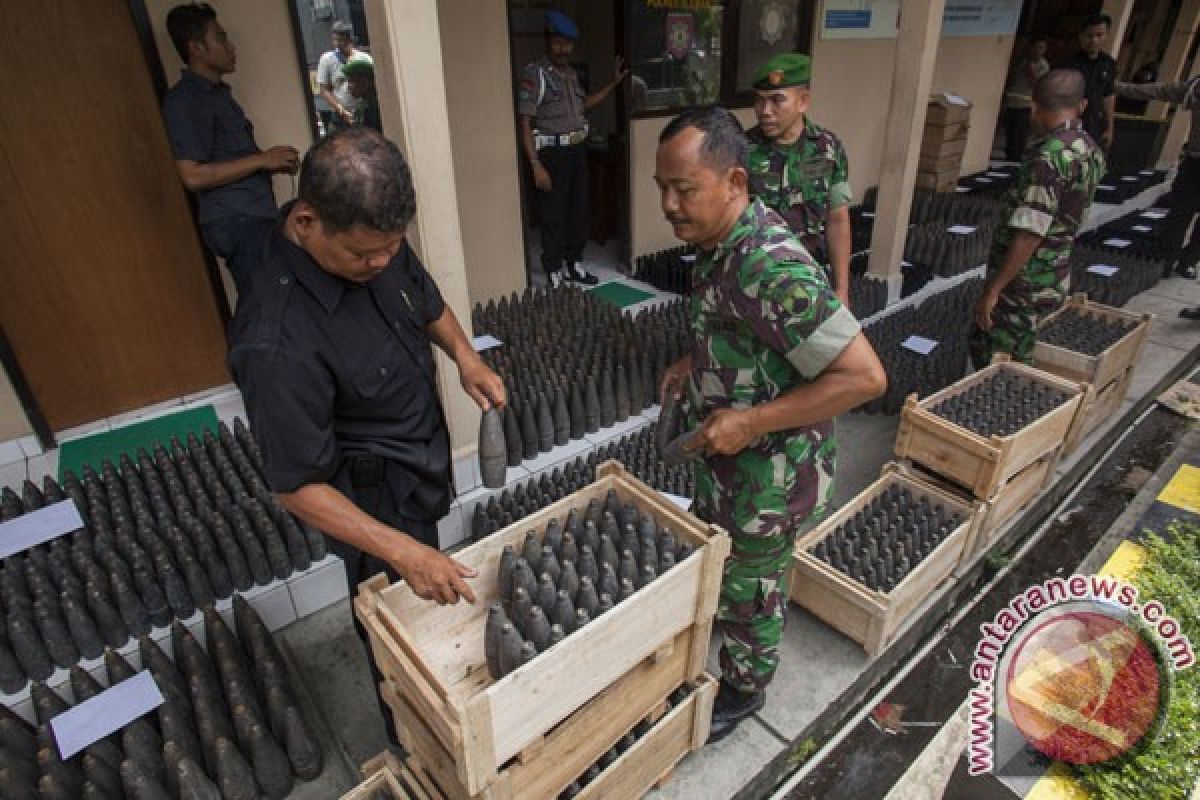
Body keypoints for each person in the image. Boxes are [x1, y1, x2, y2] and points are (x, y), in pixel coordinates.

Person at [227, 128, 505, 734]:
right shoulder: (275, 341)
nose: (381, 263)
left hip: (415, 463)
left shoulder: (372, 233)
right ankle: (412, 734)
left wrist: (465, 355)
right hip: (369, 500)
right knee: (391, 624)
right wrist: (403, 551)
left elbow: (426, 301)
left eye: (391, 248)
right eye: (365, 256)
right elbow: (296, 486)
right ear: (306, 221)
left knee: (424, 607)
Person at [655, 107, 886, 743]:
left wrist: (753, 421)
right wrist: (694, 357)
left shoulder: (769, 264)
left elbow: (865, 377)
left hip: (768, 476)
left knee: (751, 588)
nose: (670, 205)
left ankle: (745, 688)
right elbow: (748, 330)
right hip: (733, 459)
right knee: (732, 571)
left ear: (734, 182)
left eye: (685, 190)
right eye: (662, 190)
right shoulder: (716, 242)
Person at [971, 70, 1106, 367]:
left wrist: (995, 288)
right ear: (1082, 105)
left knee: (1001, 361)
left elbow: (1031, 232)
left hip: (1023, 283)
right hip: (1055, 273)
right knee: (1030, 355)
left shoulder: (1049, 156)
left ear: (1034, 107)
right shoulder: (1090, 149)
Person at [162, 3, 299, 284]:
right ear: (197, 48)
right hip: (238, 220)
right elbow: (192, 175)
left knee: (282, 298)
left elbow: (229, 158)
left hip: (255, 215)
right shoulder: (185, 101)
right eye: (221, 37)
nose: (231, 46)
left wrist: (271, 163)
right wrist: (262, 160)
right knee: (266, 304)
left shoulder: (219, 97)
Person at [517, 10, 628, 287]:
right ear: (548, 41)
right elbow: (525, 122)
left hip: (577, 151)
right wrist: (535, 165)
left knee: (578, 211)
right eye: (557, 42)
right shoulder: (535, 74)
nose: (562, 48)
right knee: (553, 214)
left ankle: (573, 263)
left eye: (567, 43)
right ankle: (554, 269)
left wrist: (612, 85)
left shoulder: (570, 75)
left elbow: (583, 105)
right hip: (551, 155)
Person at [745, 53, 853, 308]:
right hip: (756, 284)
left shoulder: (828, 148)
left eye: (776, 100)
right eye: (759, 101)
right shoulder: (743, 151)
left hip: (811, 280)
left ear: (803, 102)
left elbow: (838, 221)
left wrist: (841, 290)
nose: (765, 112)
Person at [1115, 73, 1200, 286]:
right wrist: (1119, 87)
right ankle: (1166, 260)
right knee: (1179, 214)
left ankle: (1188, 261)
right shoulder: (1196, 87)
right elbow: (1159, 91)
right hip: (1194, 162)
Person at [1060, 14, 1117, 150]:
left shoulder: (1108, 63)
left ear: (1107, 35)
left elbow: (1108, 96)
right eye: (1089, 36)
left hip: (1094, 126)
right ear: (1081, 36)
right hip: (1069, 125)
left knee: (1088, 164)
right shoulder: (1069, 62)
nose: (1094, 40)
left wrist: (1109, 128)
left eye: (1099, 35)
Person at [1004, 38, 1051, 162]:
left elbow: (1037, 82)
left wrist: (1029, 67)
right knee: (1009, 132)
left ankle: (1016, 158)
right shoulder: (1022, 61)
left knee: (1020, 133)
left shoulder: (1043, 65)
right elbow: (1011, 77)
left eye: (1041, 47)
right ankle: (1009, 156)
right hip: (1012, 102)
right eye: (1036, 47)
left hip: (1026, 104)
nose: (1038, 50)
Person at [316, 21, 364, 135]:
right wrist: (341, 109)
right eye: (335, 40)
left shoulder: (362, 58)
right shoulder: (327, 59)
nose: (337, 44)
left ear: (349, 39)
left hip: (361, 113)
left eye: (341, 40)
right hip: (339, 115)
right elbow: (324, 90)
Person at [343, 54, 381, 132]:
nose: (348, 87)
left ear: (365, 83)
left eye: (350, 81)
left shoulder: (375, 107)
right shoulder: (362, 104)